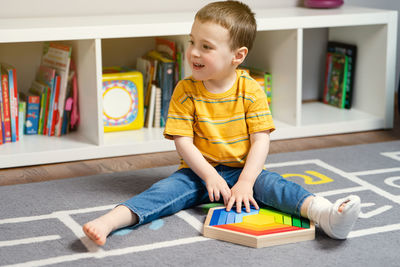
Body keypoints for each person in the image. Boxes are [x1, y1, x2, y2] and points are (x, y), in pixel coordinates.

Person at [83, 0, 361, 246]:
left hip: (244, 171)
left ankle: (327, 214)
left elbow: (261, 140)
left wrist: (246, 182)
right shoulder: (185, 89)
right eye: (192, 41)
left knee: (280, 188)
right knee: (162, 192)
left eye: (206, 47)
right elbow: (183, 142)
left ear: (237, 56)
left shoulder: (250, 89)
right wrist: (209, 176)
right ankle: (110, 221)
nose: (193, 52)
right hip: (199, 172)